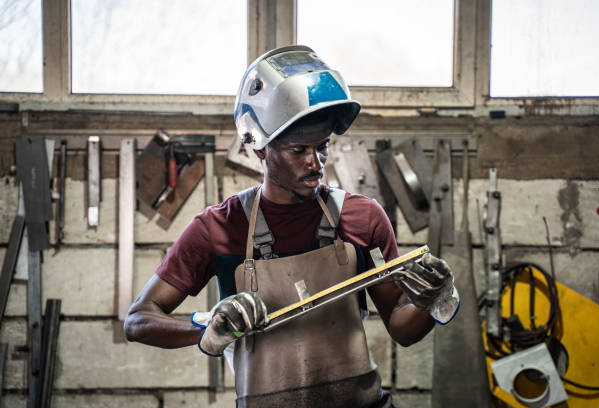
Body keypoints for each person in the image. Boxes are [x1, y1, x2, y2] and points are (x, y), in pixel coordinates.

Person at [124, 45, 459, 408]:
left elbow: (400, 326)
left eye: (323, 146)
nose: (315, 163)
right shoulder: (218, 228)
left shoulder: (363, 218)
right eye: (299, 150)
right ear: (260, 149)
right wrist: (207, 331)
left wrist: (430, 303)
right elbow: (139, 319)